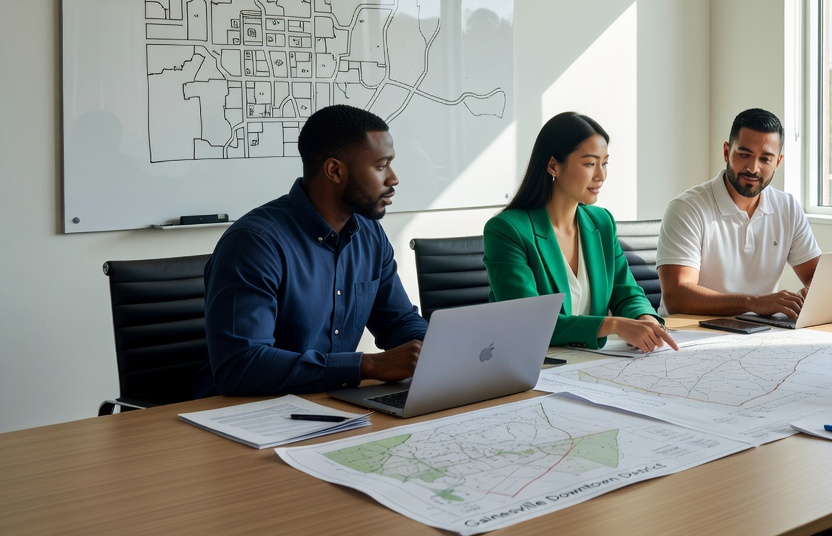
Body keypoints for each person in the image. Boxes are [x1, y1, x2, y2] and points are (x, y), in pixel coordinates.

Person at [196, 105, 427, 397]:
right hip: (242, 416)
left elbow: (398, 322)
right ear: (334, 171)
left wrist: (440, 350)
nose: (393, 178)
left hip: (329, 404)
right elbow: (241, 366)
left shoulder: (369, 234)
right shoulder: (254, 244)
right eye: (381, 166)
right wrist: (366, 366)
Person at [484, 112, 675, 352]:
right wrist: (612, 324)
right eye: (589, 164)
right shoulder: (508, 230)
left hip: (589, 364)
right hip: (535, 367)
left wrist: (644, 318)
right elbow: (528, 323)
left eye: (604, 163)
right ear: (553, 165)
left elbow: (626, 292)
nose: (601, 176)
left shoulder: (601, 222)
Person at [656, 108, 822, 317]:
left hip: (759, 333)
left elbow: (818, 277)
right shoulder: (687, 208)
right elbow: (677, 297)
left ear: (778, 162)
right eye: (744, 155)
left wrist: (813, 293)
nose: (753, 168)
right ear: (726, 152)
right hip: (690, 334)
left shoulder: (787, 207)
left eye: (765, 159)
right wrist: (753, 303)